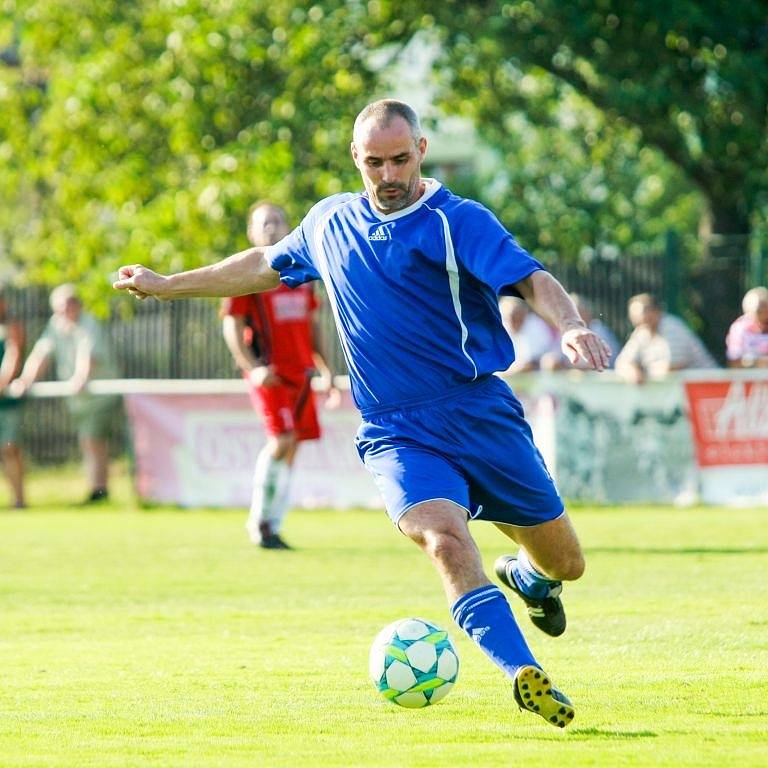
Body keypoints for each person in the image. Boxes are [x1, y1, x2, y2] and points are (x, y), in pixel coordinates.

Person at [114, 99, 612, 728]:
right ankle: (521, 671)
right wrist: (167, 283)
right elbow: (260, 267)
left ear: (422, 152)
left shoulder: (458, 221)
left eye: (400, 159)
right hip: (397, 429)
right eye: (374, 162)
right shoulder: (328, 223)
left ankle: (532, 579)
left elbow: (531, 279)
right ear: (356, 159)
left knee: (565, 562)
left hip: (479, 413)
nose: (388, 175)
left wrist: (568, 326)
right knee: (443, 538)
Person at [221, 201, 337, 549]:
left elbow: (312, 324)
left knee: (292, 447)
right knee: (282, 440)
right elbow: (232, 324)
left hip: (301, 373)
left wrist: (326, 368)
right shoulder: (249, 274)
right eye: (264, 223)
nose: (272, 228)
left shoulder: (300, 273)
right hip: (270, 374)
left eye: (278, 221)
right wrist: (254, 368)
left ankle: (273, 523)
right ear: (251, 232)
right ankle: (258, 522)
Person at [11, 284, 121, 503]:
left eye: (69, 304)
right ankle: (98, 489)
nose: (66, 310)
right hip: (80, 400)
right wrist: (25, 380)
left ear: (77, 304)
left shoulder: (89, 323)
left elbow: (87, 355)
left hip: (99, 396)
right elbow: (41, 354)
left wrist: (80, 378)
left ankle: (99, 491)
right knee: (89, 441)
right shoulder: (56, 325)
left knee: (92, 440)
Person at [615, 293, 716, 383]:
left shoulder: (672, 327)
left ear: (656, 312)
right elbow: (622, 363)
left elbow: (673, 367)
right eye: (634, 315)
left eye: (642, 314)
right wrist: (632, 372)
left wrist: (643, 372)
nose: (637, 319)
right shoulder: (642, 332)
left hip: (710, 388)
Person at [0, 289, 26, 508]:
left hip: (6, 402)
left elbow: (13, 354)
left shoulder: (11, 326)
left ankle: (18, 500)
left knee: (10, 448)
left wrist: (1, 383)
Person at [499, 296, 560, 372]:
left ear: (523, 313)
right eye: (507, 317)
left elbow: (533, 362)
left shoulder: (535, 325)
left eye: (515, 316)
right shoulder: (498, 329)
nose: (512, 321)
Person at [725, 286, 768, 368]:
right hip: (748, 378)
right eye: (760, 311)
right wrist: (756, 362)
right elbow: (735, 361)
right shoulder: (739, 329)